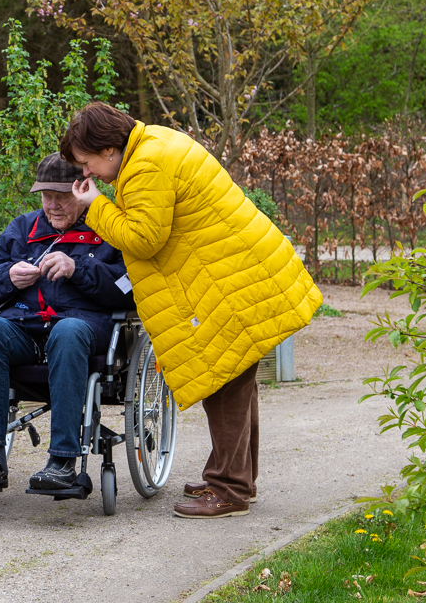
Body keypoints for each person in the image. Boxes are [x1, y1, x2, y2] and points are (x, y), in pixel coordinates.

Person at [61, 102, 322, 518]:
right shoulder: (153, 144)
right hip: (233, 274)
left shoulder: (146, 165)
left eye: (87, 161)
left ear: (109, 149)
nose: (87, 172)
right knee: (235, 382)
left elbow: (144, 239)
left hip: (228, 282)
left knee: (225, 384)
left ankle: (230, 489)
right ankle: (235, 477)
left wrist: (96, 206)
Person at [0, 153, 135, 492]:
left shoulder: (109, 230)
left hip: (82, 329)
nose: (52, 206)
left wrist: (79, 269)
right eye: (46, 197)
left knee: (68, 331)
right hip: (25, 328)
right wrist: (7, 276)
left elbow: (130, 289)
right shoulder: (22, 229)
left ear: (82, 191)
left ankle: (63, 460)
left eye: (61, 197)